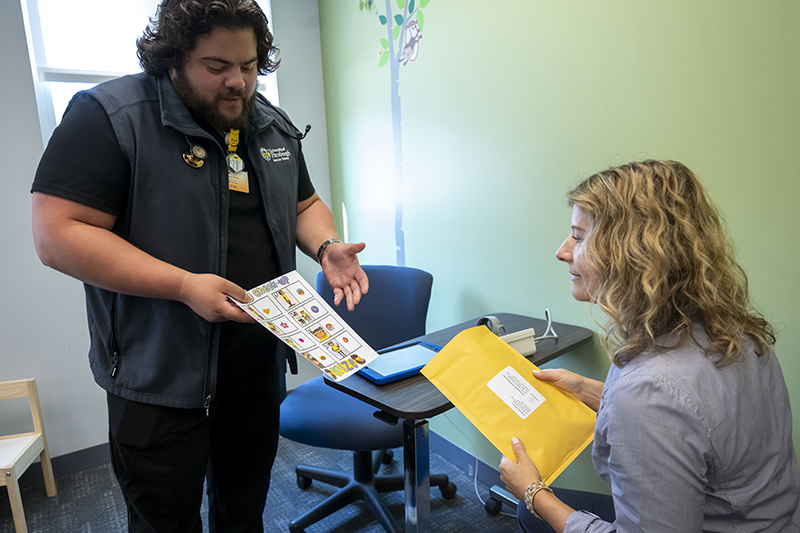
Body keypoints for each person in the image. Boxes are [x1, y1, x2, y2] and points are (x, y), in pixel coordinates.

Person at [30, 1, 368, 531]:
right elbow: (57, 235)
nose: (237, 82)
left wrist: (327, 247)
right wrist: (184, 285)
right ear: (173, 57)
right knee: (165, 522)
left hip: (255, 366)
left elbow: (304, 205)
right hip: (160, 376)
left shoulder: (269, 124)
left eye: (250, 66)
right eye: (216, 67)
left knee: (243, 511)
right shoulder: (110, 116)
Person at [499, 160, 800, 532]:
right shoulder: (736, 330)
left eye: (578, 237)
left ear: (629, 253)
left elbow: (659, 402)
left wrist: (532, 491)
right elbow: (697, 419)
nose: (563, 252)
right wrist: (590, 390)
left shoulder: (648, 390)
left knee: (529, 515)